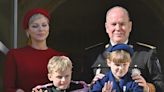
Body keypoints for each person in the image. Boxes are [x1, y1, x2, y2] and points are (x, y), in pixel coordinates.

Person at [85, 6, 164, 92]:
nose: (118, 28)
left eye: (122, 24)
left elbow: (160, 86)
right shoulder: (93, 54)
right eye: (113, 24)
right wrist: (91, 85)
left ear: (130, 26)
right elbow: (80, 85)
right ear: (106, 27)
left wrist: (147, 88)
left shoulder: (146, 54)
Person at [3, 8, 65, 92]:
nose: (41, 29)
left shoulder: (60, 57)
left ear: (49, 28)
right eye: (35, 26)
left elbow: (65, 86)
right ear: (27, 31)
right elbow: (8, 88)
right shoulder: (15, 55)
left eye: (44, 25)